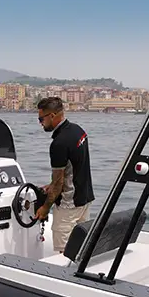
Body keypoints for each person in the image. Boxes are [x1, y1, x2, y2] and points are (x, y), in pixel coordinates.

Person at [34, 96, 95, 253]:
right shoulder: (78, 131)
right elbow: (75, 167)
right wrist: (52, 185)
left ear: (52, 116)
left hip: (69, 206)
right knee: (80, 248)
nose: (40, 123)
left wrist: (45, 208)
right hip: (85, 199)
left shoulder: (59, 144)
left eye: (41, 119)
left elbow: (58, 183)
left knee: (64, 252)